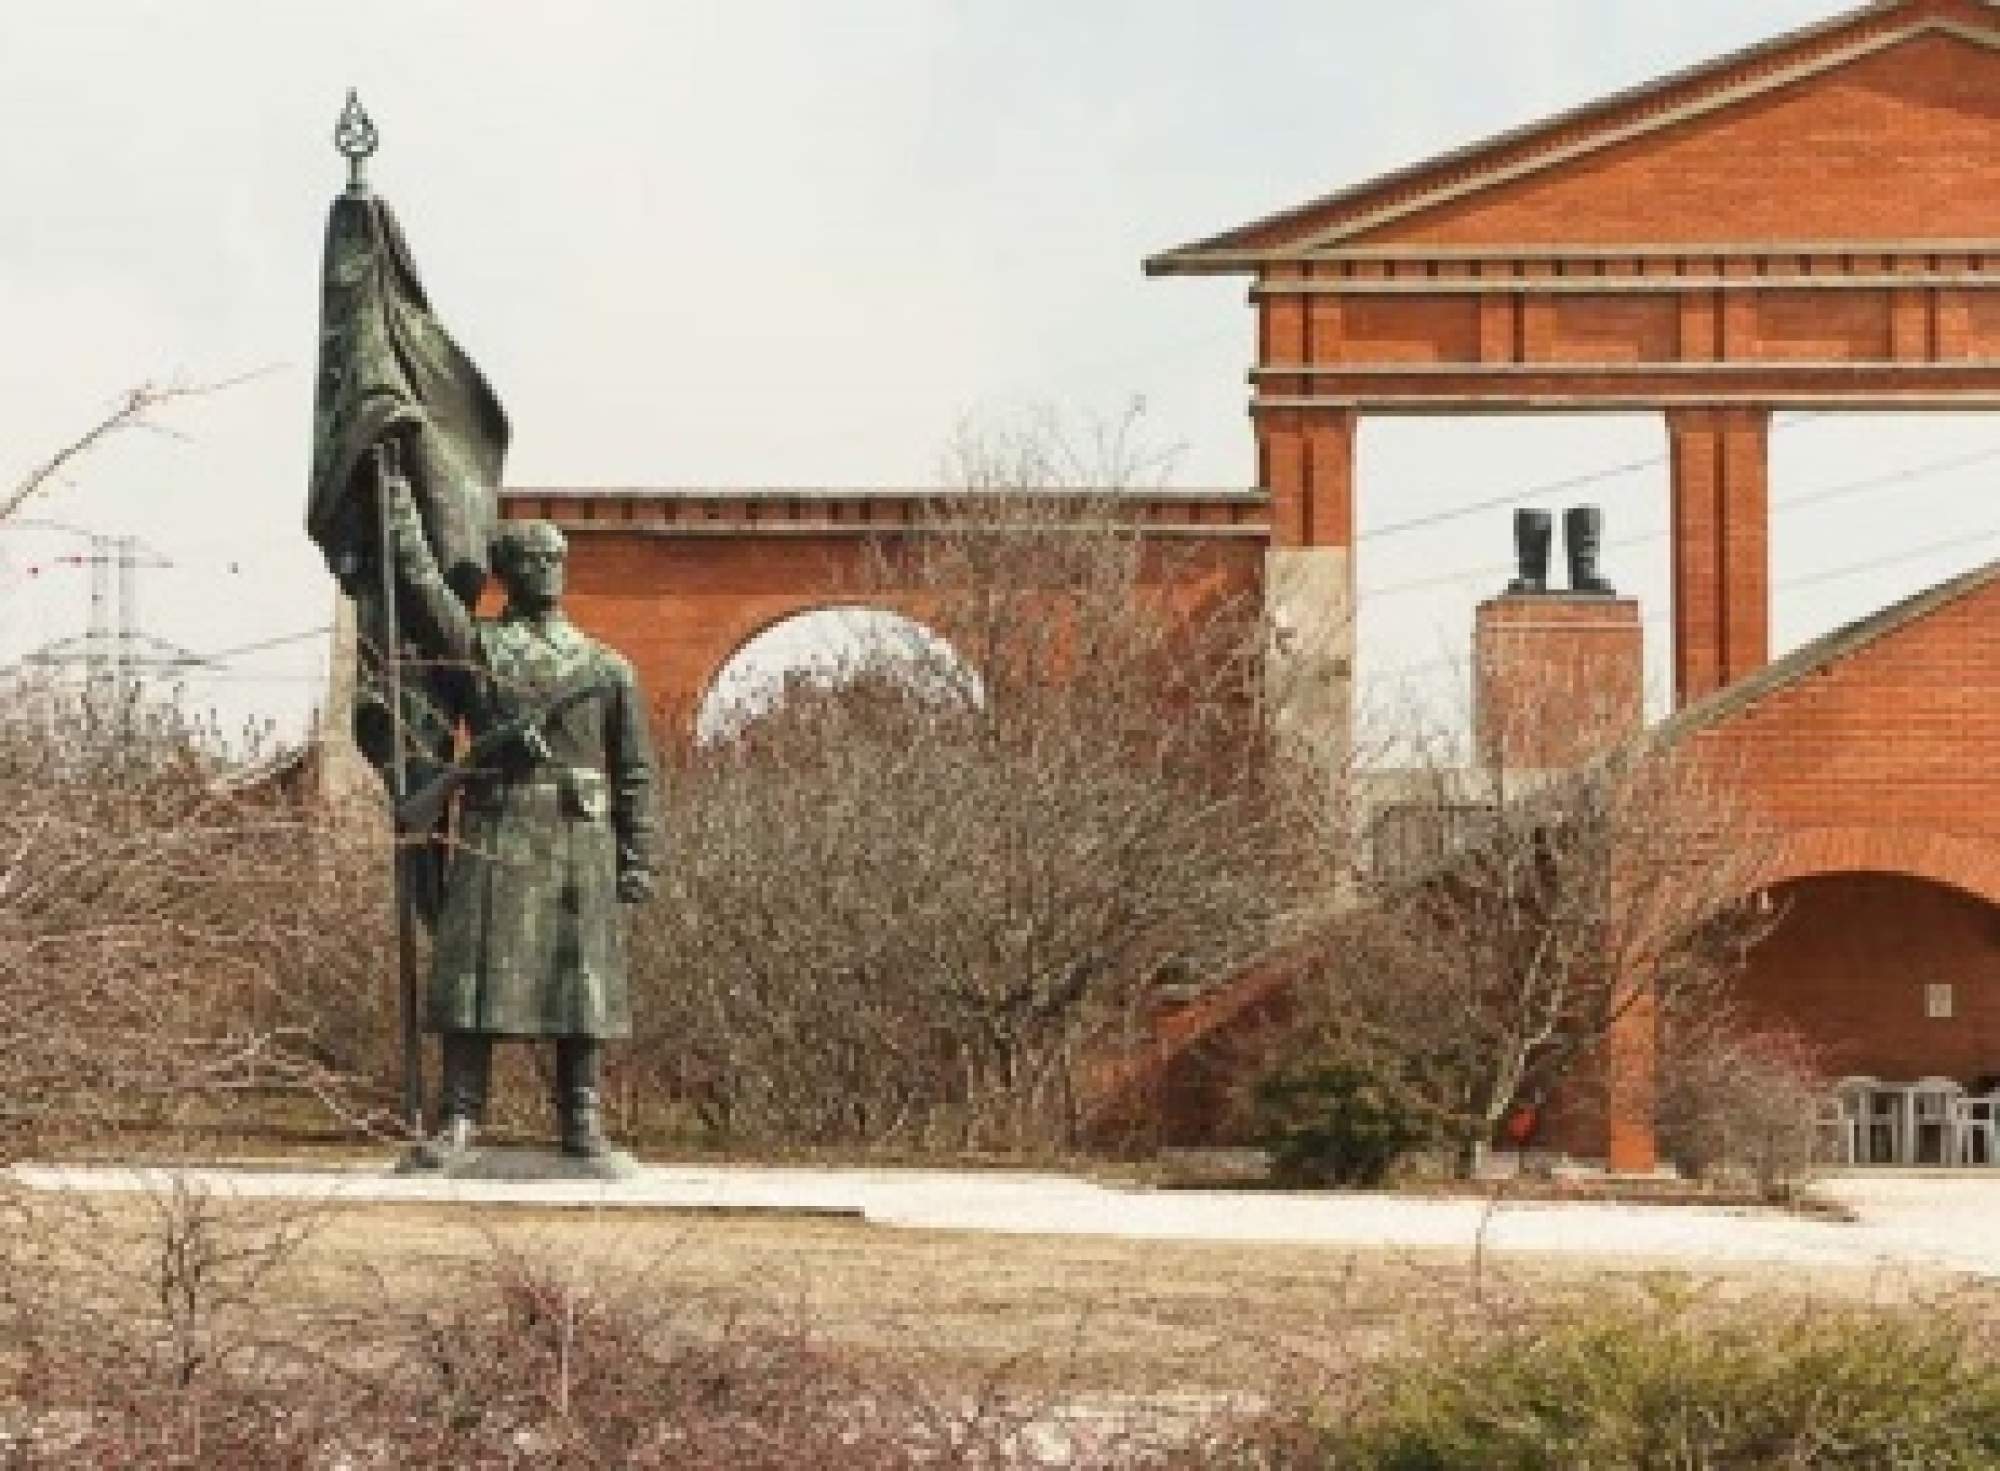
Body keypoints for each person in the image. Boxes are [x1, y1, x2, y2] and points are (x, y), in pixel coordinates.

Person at [384, 477, 658, 1165]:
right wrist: (397, 502)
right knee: (473, 977)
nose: (549, 569)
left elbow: (634, 772)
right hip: (497, 821)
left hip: (577, 835)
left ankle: (582, 1119)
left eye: (556, 557)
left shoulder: (607, 668)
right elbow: (422, 588)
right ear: (506, 571)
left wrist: (638, 857)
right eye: (534, 559)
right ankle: (460, 1116)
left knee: (581, 982)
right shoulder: (477, 646)